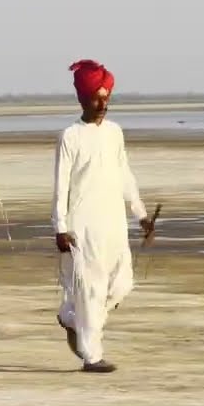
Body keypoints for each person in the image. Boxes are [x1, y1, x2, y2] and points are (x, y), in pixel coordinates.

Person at [52, 59, 155, 373]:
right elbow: (60, 185)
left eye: (106, 98)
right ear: (82, 99)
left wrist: (141, 215)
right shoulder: (70, 136)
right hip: (83, 228)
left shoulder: (114, 133)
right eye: (96, 98)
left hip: (113, 224)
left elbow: (125, 174)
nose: (102, 104)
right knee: (92, 291)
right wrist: (60, 227)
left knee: (122, 284)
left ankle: (70, 317)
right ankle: (91, 356)